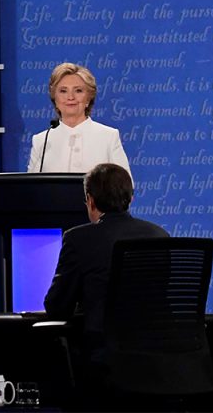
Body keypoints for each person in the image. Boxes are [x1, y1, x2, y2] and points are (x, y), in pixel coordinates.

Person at [44, 163, 168, 405]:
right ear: (131, 199)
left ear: (90, 201)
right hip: (158, 364)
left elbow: (57, 306)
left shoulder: (78, 239)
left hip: (102, 367)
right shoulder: (159, 236)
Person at [27, 62, 131, 174]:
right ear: (54, 97)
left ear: (89, 97)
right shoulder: (41, 140)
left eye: (78, 90)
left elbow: (124, 186)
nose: (70, 97)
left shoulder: (108, 137)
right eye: (63, 91)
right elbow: (32, 188)